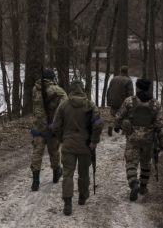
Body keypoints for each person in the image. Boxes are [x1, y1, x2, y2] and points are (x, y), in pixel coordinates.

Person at [51, 79, 103, 216]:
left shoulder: (63, 105)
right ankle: (82, 197)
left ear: (71, 89)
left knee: (68, 173)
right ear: (82, 89)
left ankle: (68, 203)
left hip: (68, 144)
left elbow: (55, 126)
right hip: (85, 145)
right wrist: (94, 140)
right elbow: (98, 124)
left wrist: (62, 138)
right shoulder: (90, 105)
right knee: (84, 173)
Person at [114, 78, 163, 201]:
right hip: (148, 140)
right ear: (148, 88)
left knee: (131, 163)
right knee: (146, 164)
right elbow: (159, 125)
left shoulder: (129, 101)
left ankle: (133, 184)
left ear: (137, 88)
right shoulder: (156, 104)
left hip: (133, 138)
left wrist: (117, 126)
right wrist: (161, 141)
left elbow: (118, 116)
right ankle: (143, 187)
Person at [30, 68, 67, 191]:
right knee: (54, 151)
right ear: (52, 78)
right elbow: (65, 103)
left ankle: (35, 182)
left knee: (37, 153)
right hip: (51, 127)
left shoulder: (35, 89)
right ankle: (56, 173)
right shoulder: (57, 90)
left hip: (38, 127)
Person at [106, 65, 133, 136]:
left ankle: (110, 127)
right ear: (127, 72)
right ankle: (123, 131)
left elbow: (109, 90)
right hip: (123, 102)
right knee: (124, 116)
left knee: (112, 115)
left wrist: (109, 100)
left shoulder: (114, 79)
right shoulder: (128, 80)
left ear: (120, 71)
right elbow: (130, 94)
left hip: (113, 101)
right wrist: (130, 103)